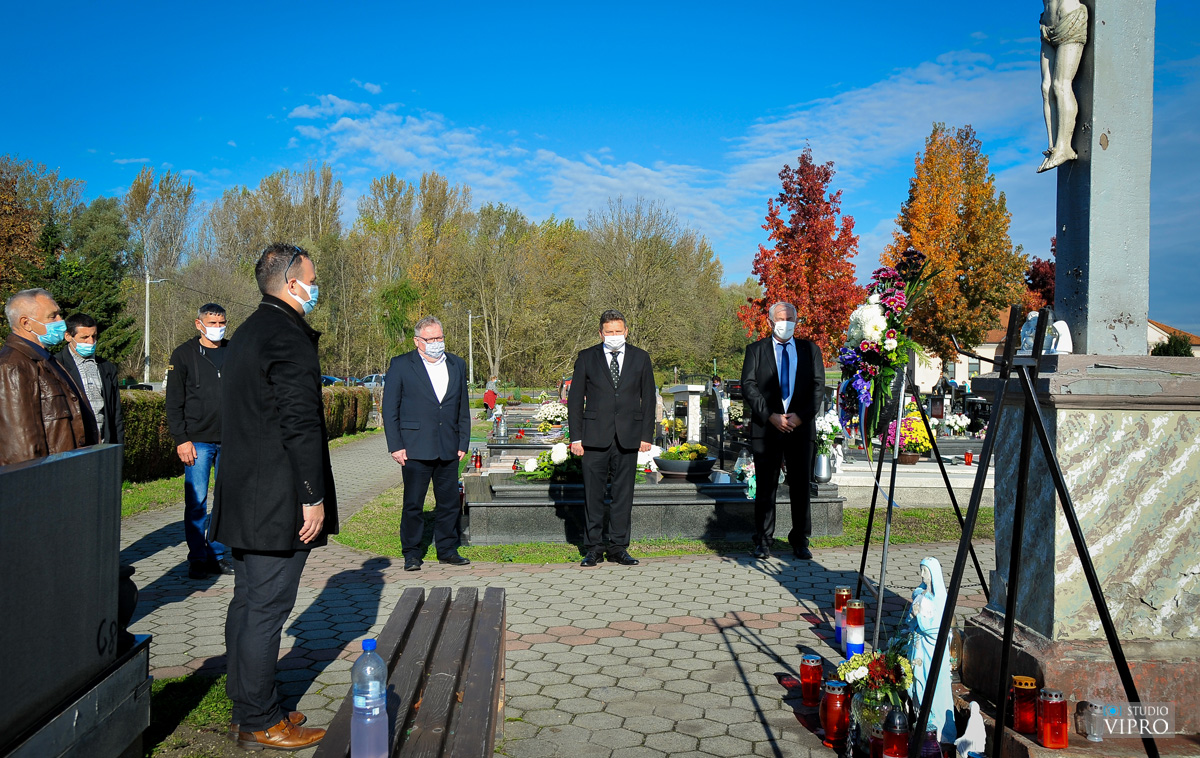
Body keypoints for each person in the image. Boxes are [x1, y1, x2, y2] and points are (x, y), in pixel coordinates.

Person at [209, 243, 335, 751]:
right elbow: (299, 422)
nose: (315, 287)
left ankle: (249, 704)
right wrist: (312, 495)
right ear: (291, 283)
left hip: (244, 492)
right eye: (312, 279)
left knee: (247, 603)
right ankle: (260, 720)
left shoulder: (247, 331)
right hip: (276, 498)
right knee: (265, 609)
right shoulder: (286, 334)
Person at [381, 316, 472, 572]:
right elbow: (390, 409)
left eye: (439, 337)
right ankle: (412, 553)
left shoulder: (456, 364)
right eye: (430, 339)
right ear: (417, 341)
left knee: (449, 503)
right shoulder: (401, 365)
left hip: (448, 446)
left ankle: (447, 549)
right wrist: (395, 446)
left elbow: (462, 406)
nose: (436, 343)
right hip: (414, 447)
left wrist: (463, 441)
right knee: (413, 504)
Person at [567, 309, 656, 568]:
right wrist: (576, 438)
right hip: (594, 437)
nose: (614, 335)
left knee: (623, 495)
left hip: (628, 436)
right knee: (593, 495)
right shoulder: (586, 357)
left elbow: (649, 399)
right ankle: (593, 548)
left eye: (618, 331)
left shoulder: (641, 358)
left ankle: (619, 547)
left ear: (626, 331)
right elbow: (575, 400)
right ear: (601, 333)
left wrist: (646, 435)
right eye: (609, 332)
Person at [740, 301, 825, 560]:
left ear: (796, 322)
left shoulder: (810, 350)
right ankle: (763, 540)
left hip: (801, 429)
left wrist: (800, 417)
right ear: (769, 322)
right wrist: (770, 415)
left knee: (801, 486)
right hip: (767, 429)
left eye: (790, 318)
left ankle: (800, 540)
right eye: (780, 318)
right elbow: (749, 385)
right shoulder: (756, 350)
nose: (785, 323)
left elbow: (818, 387)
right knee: (766, 487)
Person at [165, 303, 233, 580]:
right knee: (196, 502)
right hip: (198, 442)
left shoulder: (234, 351)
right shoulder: (183, 354)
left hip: (230, 441)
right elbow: (173, 402)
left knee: (226, 501)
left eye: (221, 323)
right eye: (212, 323)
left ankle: (217, 554)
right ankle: (197, 559)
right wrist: (181, 439)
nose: (217, 328)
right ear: (199, 324)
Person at [0, 288, 96, 466]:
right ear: (26, 323)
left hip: (66, 468)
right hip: (48, 475)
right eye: (53, 316)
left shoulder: (45, 359)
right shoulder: (14, 365)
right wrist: (39, 480)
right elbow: (20, 444)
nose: (61, 322)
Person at [55, 313, 124, 446]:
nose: (91, 342)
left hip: (103, 445)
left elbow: (116, 414)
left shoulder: (107, 368)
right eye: (84, 337)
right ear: (68, 336)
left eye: (94, 336)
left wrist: (118, 449)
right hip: (71, 447)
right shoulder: (56, 366)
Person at [1038, 0, 1087, 172]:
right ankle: (1053, 146)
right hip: (1047, 24)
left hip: (1069, 18)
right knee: (1046, 88)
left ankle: (1064, 147)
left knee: (1061, 85)